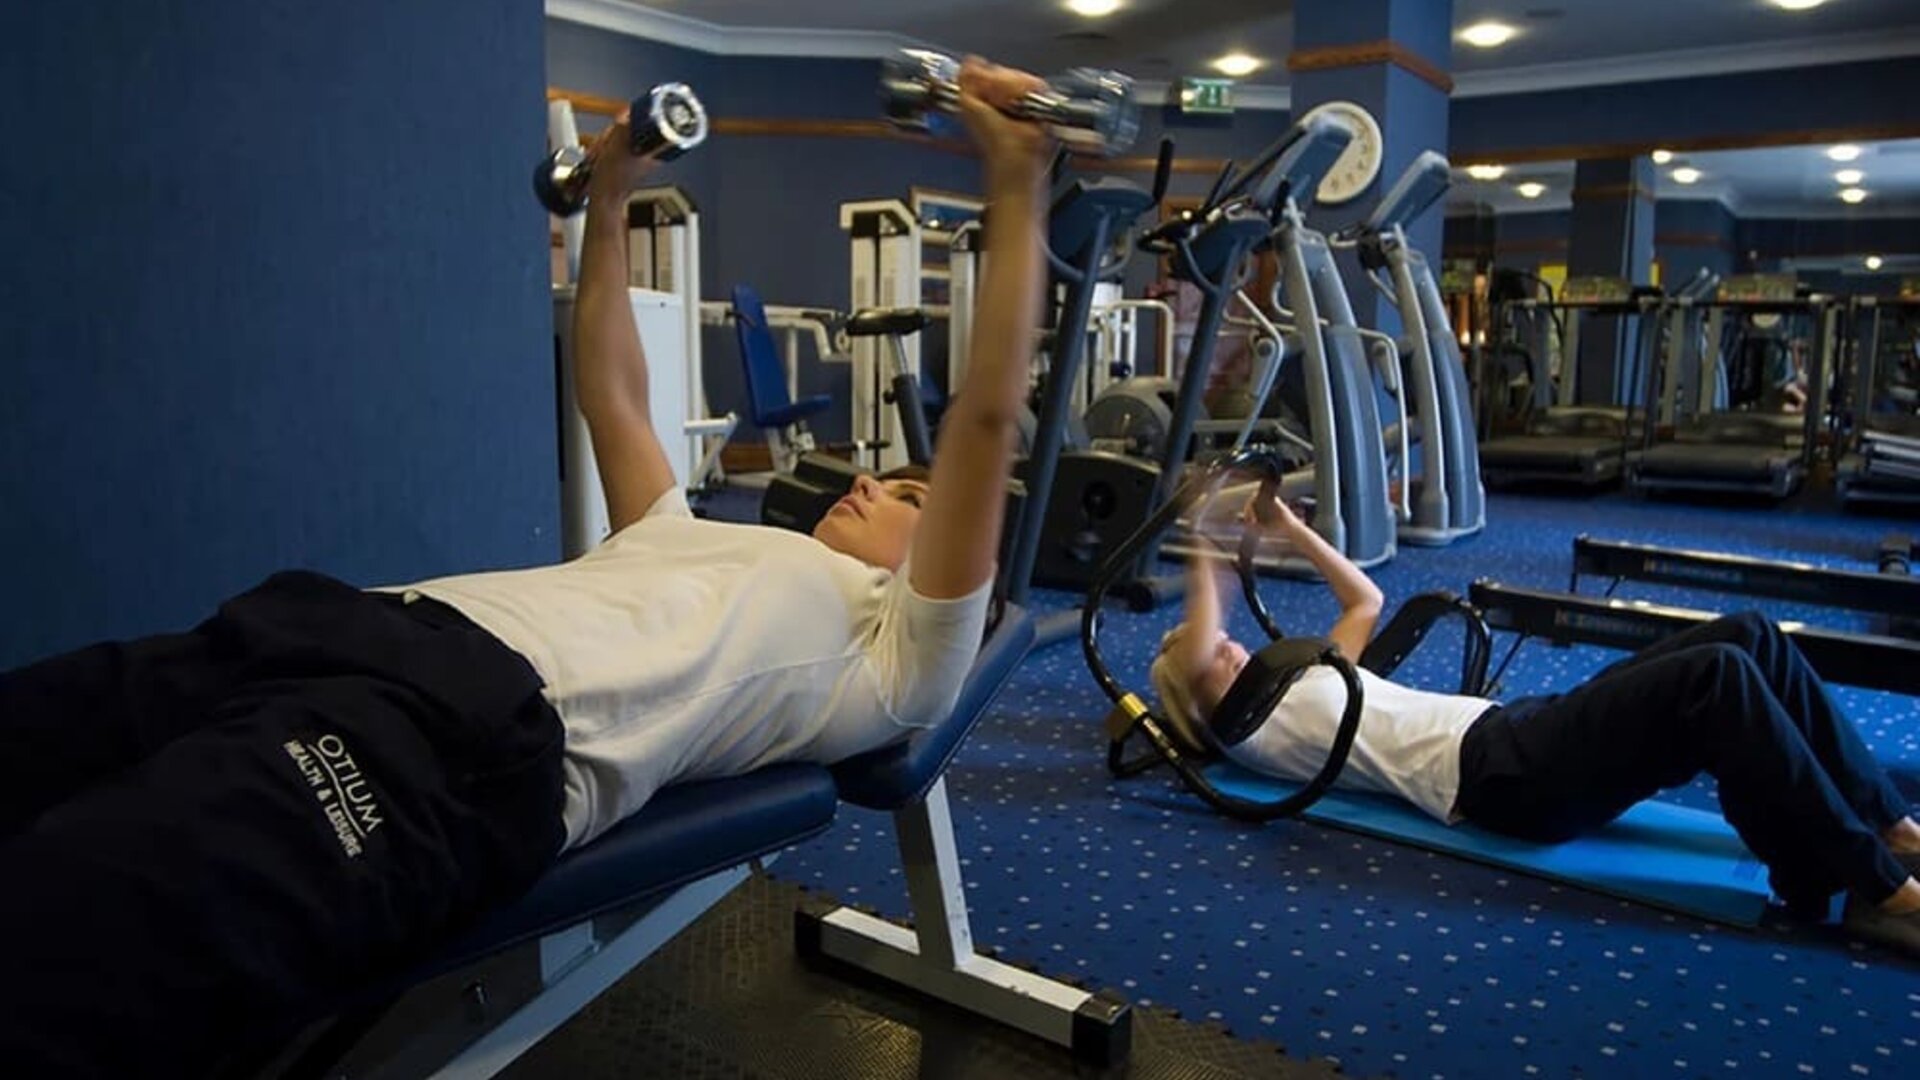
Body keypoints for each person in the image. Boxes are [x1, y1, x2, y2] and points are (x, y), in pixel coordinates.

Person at [0, 58, 1055, 1077]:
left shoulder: (892, 662)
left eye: (912, 499)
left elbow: (988, 418)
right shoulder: (692, 530)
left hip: (462, 743)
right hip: (342, 633)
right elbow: (614, 395)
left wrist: (1017, 185)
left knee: (61, 935)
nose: (874, 483)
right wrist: (609, 202)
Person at [1149, 490, 1920, 958]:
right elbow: (1200, 626)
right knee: (1714, 683)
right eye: (1204, 648)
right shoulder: (1251, 736)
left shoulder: (1304, 680)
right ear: (1198, 701)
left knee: (1747, 634)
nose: (1221, 637)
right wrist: (1200, 533)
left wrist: (1286, 525)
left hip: (1520, 729)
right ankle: (1876, 887)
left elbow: (1365, 603)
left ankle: (1884, 823)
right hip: (1504, 780)